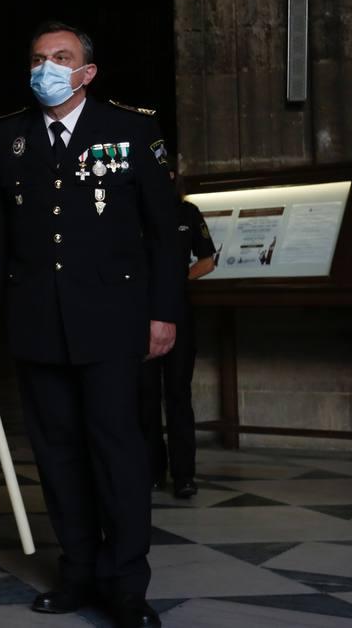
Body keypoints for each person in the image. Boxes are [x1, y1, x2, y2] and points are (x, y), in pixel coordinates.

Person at [0, 21, 182, 628]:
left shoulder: (131, 129)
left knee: (117, 452)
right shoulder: (6, 139)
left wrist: (163, 310)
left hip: (114, 322)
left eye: (61, 58)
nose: (47, 68)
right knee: (58, 454)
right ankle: (79, 571)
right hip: (38, 323)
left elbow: (163, 233)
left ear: (87, 72)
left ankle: (127, 585)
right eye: (39, 58)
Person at [141, 175, 216, 499]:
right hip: (139, 316)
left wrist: (174, 278)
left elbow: (208, 260)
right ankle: (151, 471)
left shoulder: (187, 213)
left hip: (178, 315)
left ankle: (184, 475)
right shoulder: (132, 210)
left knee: (178, 395)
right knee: (143, 398)